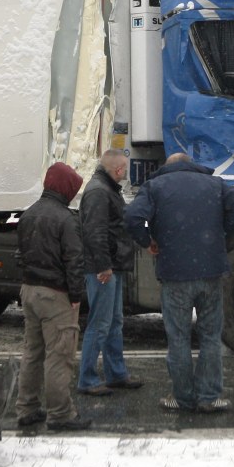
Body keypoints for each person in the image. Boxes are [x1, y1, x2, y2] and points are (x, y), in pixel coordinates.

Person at [125, 153, 234, 413]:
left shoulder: (155, 186)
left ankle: (182, 398)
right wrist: (224, 230)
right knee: (210, 336)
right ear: (189, 164)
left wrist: (147, 239)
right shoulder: (214, 184)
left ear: (167, 167)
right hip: (210, 271)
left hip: (175, 274)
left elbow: (133, 217)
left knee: (179, 338)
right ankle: (209, 397)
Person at [14, 162, 91, 432]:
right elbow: (74, 260)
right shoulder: (66, 219)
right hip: (55, 294)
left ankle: (27, 408)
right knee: (60, 355)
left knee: (33, 353)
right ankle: (60, 414)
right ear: (66, 188)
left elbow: (20, 254)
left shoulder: (29, 214)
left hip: (30, 290)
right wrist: (76, 295)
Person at [76, 150, 144, 396]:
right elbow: (95, 233)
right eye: (124, 169)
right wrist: (104, 265)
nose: (125, 173)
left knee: (113, 322)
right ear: (117, 170)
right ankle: (87, 379)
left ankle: (116, 374)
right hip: (103, 269)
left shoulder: (106, 190)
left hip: (110, 265)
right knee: (100, 323)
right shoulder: (99, 192)